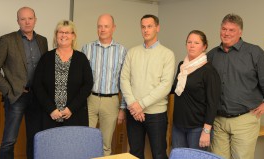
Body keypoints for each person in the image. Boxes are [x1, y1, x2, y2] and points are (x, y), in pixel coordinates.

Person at [207, 13, 264, 159]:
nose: (226, 33)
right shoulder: (212, 55)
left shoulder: (253, 52)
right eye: (224, 29)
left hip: (245, 120)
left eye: (231, 30)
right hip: (218, 121)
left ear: (240, 32)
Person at [0, 7, 48, 159]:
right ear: (18, 21)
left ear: (35, 20)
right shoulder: (7, 40)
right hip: (16, 97)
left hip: (37, 98)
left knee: (35, 139)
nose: (27, 22)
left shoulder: (42, 41)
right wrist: (8, 90)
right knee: (9, 141)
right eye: (23, 19)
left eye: (30, 18)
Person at [120, 14, 175, 159]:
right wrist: (133, 105)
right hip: (133, 113)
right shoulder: (132, 52)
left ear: (157, 28)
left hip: (156, 115)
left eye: (149, 26)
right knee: (135, 154)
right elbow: (124, 79)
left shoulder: (167, 54)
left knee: (159, 154)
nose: (146, 30)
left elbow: (165, 86)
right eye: (143, 27)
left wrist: (141, 104)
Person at [33, 20, 93, 130]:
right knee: (51, 146)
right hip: (49, 115)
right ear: (56, 35)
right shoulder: (46, 58)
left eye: (67, 32)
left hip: (74, 115)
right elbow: (37, 85)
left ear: (73, 36)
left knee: (72, 146)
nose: (63, 35)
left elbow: (88, 85)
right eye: (60, 32)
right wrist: (51, 109)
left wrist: (71, 108)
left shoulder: (81, 58)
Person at [81, 14, 127, 156]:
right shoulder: (86, 48)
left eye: (106, 26)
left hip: (111, 102)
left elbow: (125, 81)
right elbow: (80, 78)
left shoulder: (122, 51)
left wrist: (122, 108)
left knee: (106, 144)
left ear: (113, 28)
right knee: (85, 140)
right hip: (90, 100)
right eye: (99, 26)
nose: (102, 29)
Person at [171, 30, 221, 151]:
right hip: (178, 126)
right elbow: (174, 89)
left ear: (204, 47)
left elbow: (213, 103)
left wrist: (206, 131)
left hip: (197, 128)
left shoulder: (209, 71)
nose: (192, 45)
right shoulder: (182, 66)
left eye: (196, 43)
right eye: (189, 42)